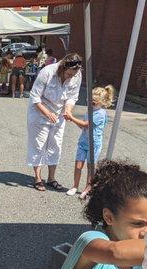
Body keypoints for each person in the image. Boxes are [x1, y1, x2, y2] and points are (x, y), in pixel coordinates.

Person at [26, 53, 83, 192]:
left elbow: (72, 97)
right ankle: (38, 178)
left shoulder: (77, 75)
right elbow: (35, 97)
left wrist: (68, 110)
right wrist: (47, 112)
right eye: (69, 73)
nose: (70, 76)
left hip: (58, 114)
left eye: (73, 74)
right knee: (38, 145)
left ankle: (51, 178)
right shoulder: (47, 72)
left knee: (55, 145)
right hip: (40, 112)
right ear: (63, 68)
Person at [66, 85, 116, 199]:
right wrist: (73, 120)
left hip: (94, 144)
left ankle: (88, 188)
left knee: (90, 167)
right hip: (83, 142)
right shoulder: (89, 111)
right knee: (78, 165)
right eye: (90, 102)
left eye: (93, 103)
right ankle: (75, 186)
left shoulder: (100, 114)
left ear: (101, 102)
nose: (91, 105)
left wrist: (71, 117)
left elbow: (85, 124)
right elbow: (83, 127)